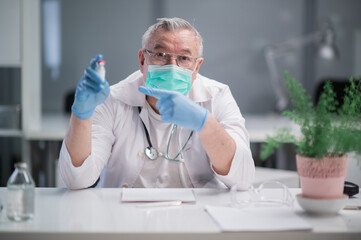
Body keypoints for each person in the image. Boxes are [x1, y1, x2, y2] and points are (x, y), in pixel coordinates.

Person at [59, 17, 255, 190]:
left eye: (184, 58)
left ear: (197, 67)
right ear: (142, 59)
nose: (172, 66)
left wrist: (205, 123)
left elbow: (242, 179)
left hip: (198, 218)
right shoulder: (113, 99)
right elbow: (77, 180)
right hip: (123, 216)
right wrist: (81, 113)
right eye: (161, 55)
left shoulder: (217, 96)